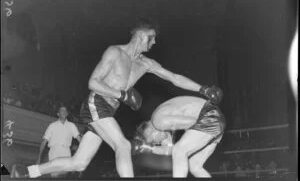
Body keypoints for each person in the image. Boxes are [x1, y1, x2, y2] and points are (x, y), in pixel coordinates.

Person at [12, 19, 222, 178]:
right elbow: (93, 82)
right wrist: (121, 94)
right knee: (122, 145)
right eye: (152, 37)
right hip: (97, 103)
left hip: (109, 111)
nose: (154, 42)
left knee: (79, 163)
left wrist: (202, 89)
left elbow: (174, 78)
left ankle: (27, 172)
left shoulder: (145, 63)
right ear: (140, 36)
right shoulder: (114, 52)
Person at [132, 95, 225, 178]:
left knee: (179, 150)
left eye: (153, 142)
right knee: (194, 166)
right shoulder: (163, 124)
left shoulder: (158, 121)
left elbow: (193, 121)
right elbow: (169, 151)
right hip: (213, 121)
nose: (158, 143)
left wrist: (182, 145)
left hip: (209, 116)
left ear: (149, 132)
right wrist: (149, 148)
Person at [36, 106, 82, 178]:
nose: (63, 112)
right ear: (58, 114)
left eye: (65, 111)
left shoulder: (71, 125)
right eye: (61, 111)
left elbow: (80, 140)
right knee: (55, 176)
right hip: (54, 153)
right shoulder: (52, 125)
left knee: (64, 176)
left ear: (67, 114)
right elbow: (44, 142)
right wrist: (39, 158)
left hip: (66, 153)